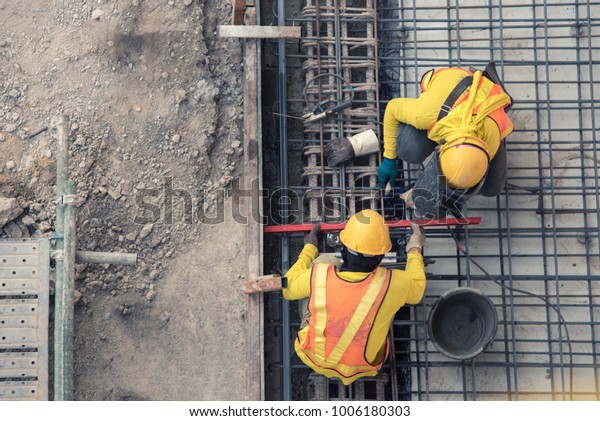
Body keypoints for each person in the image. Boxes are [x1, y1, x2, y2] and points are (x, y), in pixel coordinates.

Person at [283, 209, 426, 385]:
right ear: (380, 257)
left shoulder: (320, 275)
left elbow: (287, 288)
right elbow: (418, 289)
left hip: (314, 356)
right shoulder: (394, 283)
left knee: (325, 261)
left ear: (344, 250)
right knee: (388, 301)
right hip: (365, 367)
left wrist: (310, 248)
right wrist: (415, 248)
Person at [377, 63, 514, 219]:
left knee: (492, 188)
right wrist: (389, 158)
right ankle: (485, 78)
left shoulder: (493, 135)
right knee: (408, 150)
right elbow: (392, 109)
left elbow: (465, 172)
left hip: (487, 107)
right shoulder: (426, 114)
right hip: (450, 88)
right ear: (442, 150)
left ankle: (493, 87)